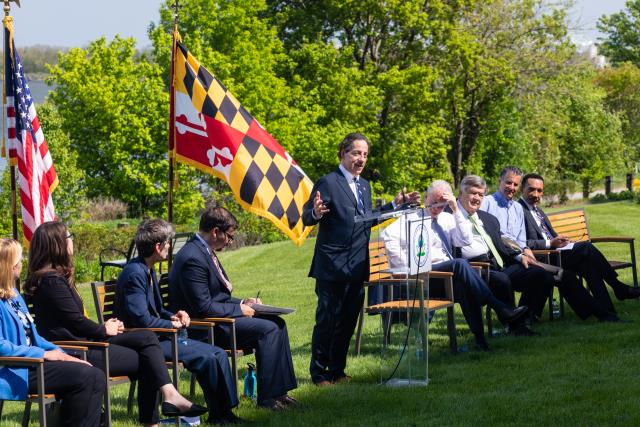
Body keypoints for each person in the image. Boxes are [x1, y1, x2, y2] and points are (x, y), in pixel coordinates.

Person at [24, 222, 206, 426]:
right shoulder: (51, 281)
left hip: (86, 341)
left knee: (146, 338)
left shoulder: (55, 278)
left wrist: (104, 327)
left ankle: (170, 396)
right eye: (69, 237)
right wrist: (103, 329)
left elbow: (70, 320)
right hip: (76, 350)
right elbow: (75, 322)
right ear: (57, 244)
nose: (72, 240)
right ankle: (154, 418)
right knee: (149, 359)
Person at [302, 132, 420, 386]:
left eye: (365, 154)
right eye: (356, 153)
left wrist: (395, 205)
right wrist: (316, 212)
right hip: (332, 267)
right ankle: (319, 373)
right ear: (342, 153)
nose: (361, 159)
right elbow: (306, 216)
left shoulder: (364, 185)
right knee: (327, 321)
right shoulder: (328, 182)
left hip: (357, 265)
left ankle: (337, 370)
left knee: (347, 321)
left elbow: (367, 219)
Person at [169, 206, 298, 410]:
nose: (230, 241)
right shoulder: (192, 257)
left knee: (278, 323)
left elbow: (218, 297)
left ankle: (280, 393)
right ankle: (267, 399)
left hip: (218, 321)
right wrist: (240, 311)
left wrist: (243, 303)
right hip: (204, 329)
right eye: (229, 236)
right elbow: (203, 307)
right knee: (269, 329)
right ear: (215, 231)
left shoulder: (203, 250)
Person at [114, 219, 239, 425]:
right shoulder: (134, 273)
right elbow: (140, 318)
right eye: (168, 243)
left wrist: (173, 315)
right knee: (207, 357)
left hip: (158, 336)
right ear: (158, 247)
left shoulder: (147, 269)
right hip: (145, 342)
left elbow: (156, 310)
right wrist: (170, 326)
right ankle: (221, 416)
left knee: (217, 353)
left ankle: (225, 412)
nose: (169, 247)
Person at [381, 180, 528, 351]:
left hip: (445, 279)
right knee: (459, 264)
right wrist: (412, 267)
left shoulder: (447, 218)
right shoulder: (410, 219)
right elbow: (388, 237)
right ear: (426, 197)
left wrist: (456, 209)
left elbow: (465, 240)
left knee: (465, 287)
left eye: (442, 204)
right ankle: (499, 307)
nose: (437, 208)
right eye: (433, 202)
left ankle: (481, 341)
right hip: (424, 277)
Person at [463, 174, 619, 322]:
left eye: (515, 184)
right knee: (581, 252)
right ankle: (614, 295)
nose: (512, 187)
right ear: (500, 181)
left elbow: (518, 240)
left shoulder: (515, 208)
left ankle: (603, 312)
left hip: (521, 256)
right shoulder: (490, 205)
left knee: (579, 267)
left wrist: (524, 252)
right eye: (508, 182)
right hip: (506, 262)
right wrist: (534, 249)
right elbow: (503, 240)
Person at [0, 238, 105, 427]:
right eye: (19, 259)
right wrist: (44, 354)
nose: (22, 262)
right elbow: (2, 347)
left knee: (95, 375)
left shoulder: (14, 296)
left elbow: (35, 337)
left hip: (33, 364)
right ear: (9, 265)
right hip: (15, 369)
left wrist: (63, 355)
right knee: (87, 376)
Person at [519, 173, 640, 312]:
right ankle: (619, 288)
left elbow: (550, 234)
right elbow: (521, 242)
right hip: (543, 258)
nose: (536, 194)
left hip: (558, 253)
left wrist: (561, 241)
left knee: (588, 265)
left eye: (539, 190)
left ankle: (608, 312)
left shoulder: (537, 210)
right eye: (531, 189)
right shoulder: (518, 210)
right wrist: (550, 243)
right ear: (522, 189)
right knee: (586, 247)